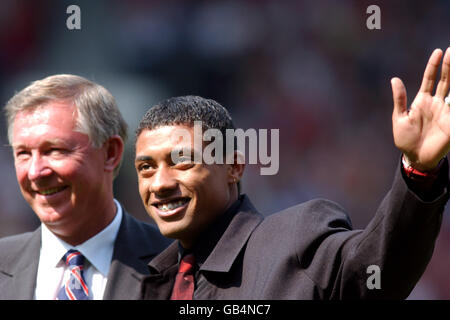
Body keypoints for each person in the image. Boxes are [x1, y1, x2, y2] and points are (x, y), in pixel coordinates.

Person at [136, 48, 450, 299]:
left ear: (233, 167)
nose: (160, 183)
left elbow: (379, 271)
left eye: (182, 161)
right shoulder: (142, 283)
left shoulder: (295, 243)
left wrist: (419, 170)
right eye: (146, 167)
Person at [0, 74, 171, 300]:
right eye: (23, 153)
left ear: (110, 153)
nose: (35, 172)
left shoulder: (178, 264)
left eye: (55, 150)